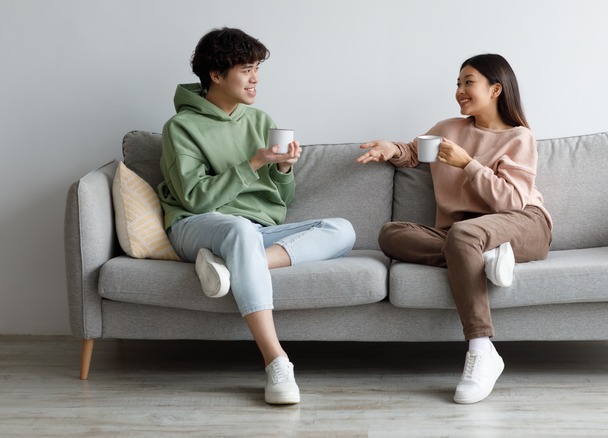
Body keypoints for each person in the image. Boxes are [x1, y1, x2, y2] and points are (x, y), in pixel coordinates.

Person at [157, 27, 356, 405]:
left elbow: (280, 201)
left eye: (257, 69)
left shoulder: (260, 120)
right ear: (216, 75)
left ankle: (235, 267)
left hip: (254, 231)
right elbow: (195, 198)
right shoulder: (180, 128)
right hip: (196, 226)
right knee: (237, 230)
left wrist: (282, 171)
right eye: (246, 69)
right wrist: (253, 163)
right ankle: (276, 360)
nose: (255, 79)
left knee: (342, 230)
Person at [357, 54, 553, 404]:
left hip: (523, 223)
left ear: (496, 89)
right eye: (458, 84)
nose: (459, 91)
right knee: (391, 234)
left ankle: (481, 349)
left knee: (465, 236)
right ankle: (482, 256)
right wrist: (391, 149)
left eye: (468, 82)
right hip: (468, 232)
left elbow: (510, 202)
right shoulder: (448, 129)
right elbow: (413, 152)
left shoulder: (519, 137)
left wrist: (468, 164)